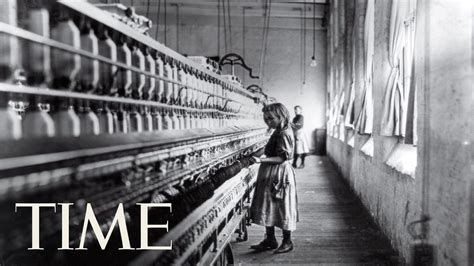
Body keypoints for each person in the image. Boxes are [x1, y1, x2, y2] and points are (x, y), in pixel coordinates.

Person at [249, 103, 299, 254]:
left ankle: (287, 241)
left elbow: (282, 158)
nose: (268, 122)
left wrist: (261, 160)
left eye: (271, 118)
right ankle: (270, 239)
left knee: (282, 206)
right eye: (266, 119)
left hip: (279, 172)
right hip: (271, 172)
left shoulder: (284, 133)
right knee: (269, 204)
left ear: (281, 116)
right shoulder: (279, 130)